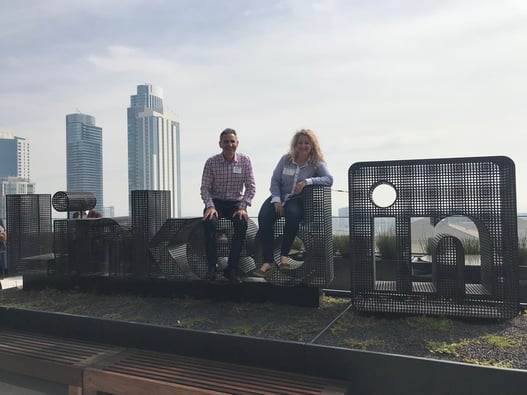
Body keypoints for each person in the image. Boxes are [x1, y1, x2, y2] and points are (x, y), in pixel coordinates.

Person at [253, 129, 333, 278]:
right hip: (279, 196)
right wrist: (276, 200)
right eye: (300, 143)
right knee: (264, 216)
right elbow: (275, 180)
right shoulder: (286, 159)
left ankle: (284, 255)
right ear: (295, 145)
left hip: (296, 199)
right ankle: (268, 261)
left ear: (312, 145)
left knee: (292, 215)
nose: (303, 146)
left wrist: (308, 181)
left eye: (306, 143)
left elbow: (329, 179)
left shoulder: (316, 163)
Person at [200, 128, 256, 283]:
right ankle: (212, 266)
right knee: (209, 222)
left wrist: (243, 207)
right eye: (226, 141)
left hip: (235, 203)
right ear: (220, 144)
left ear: (237, 143)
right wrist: (210, 206)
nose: (229, 144)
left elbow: (251, 187)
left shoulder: (245, 161)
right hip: (216, 202)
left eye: (232, 141)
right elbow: (205, 188)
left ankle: (231, 268)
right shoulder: (211, 162)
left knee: (242, 224)